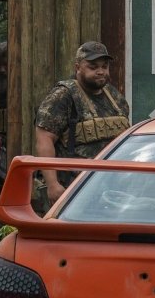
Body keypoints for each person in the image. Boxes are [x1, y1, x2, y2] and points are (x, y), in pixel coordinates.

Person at [33, 41, 131, 209]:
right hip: (73, 189)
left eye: (104, 66)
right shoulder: (63, 96)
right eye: (93, 67)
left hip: (111, 188)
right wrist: (52, 185)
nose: (100, 71)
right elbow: (44, 140)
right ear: (78, 67)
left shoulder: (114, 97)